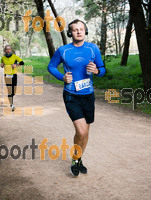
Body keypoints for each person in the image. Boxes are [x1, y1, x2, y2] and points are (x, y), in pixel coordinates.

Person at [47, 19, 106, 177]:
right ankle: (75, 159)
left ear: (85, 31)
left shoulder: (93, 49)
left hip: (88, 95)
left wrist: (97, 71)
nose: (79, 32)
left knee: (85, 133)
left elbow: (102, 69)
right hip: (71, 95)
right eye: (75, 29)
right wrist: (62, 77)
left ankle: (78, 159)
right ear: (70, 33)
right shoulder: (63, 50)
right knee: (80, 130)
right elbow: (51, 66)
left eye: (81, 29)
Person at [1, 45, 24, 111]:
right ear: (5, 50)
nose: (8, 50)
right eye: (6, 49)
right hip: (7, 76)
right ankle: (12, 105)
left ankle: (11, 101)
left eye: (9, 49)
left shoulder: (15, 57)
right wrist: (2, 65)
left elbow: (22, 62)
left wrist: (16, 65)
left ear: (11, 50)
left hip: (14, 75)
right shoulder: (3, 58)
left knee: (14, 92)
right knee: (9, 91)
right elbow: (2, 64)